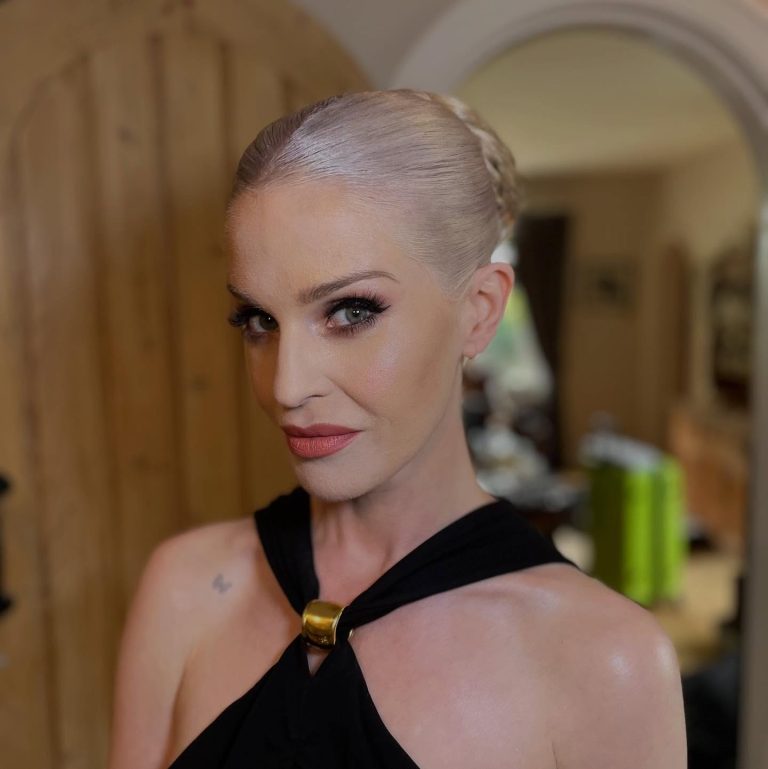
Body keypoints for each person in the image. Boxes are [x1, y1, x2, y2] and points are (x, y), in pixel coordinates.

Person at [107, 89, 687, 769]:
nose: (287, 386)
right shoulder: (186, 587)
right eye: (259, 321)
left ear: (479, 311)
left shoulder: (604, 659)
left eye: (350, 311)